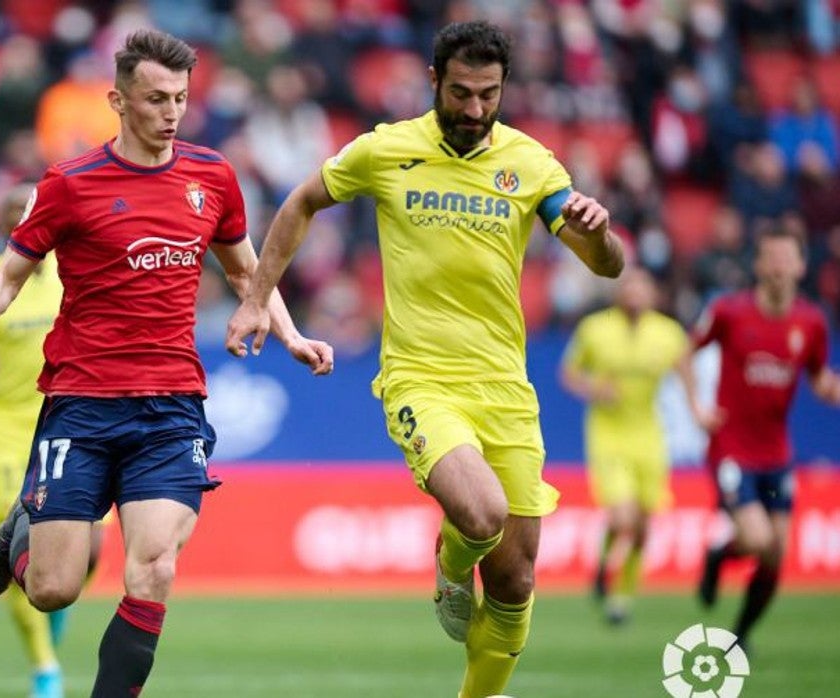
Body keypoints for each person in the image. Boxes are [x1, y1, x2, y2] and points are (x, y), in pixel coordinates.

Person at [225, 21, 623, 698]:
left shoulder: (531, 163)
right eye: (462, 92)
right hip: (421, 378)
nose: (474, 110)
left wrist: (600, 234)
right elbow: (302, 202)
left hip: (506, 387)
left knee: (516, 580)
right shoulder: (387, 150)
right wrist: (259, 298)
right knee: (481, 514)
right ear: (434, 80)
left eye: (489, 95)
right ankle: (448, 566)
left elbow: (606, 266)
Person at [0, 30, 333, 698]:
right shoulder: (69, 184)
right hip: (82, 403)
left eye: (180, 98)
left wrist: (289, 334)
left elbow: (247, 275)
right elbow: (9, 276)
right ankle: (26, 519)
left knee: (153, 569)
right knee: (53, 591)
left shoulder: (212, 177)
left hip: (171, 406)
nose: (172, 112)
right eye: (156, 99)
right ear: (118, 100)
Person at [0, 185, 101, 698]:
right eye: (15, 215)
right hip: (9, 430)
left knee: (90, 552)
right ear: (5, 225)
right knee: (12, 548)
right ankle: (44, 667)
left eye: (31, 213)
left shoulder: (75, 271)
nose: (24, 222)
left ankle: (48, 622)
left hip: (73, 422)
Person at [692, 226, 840, 651]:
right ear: (758, 265)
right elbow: (687, 351)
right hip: (732, 448)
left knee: (776, 555)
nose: (778, 268)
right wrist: (698, 408)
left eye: (785, 259)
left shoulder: (811, 322)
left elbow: (818, 380)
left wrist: (833, 389)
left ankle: (741, 635)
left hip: (776, 452)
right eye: (770, 259)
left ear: (800, 266)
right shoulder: (729, 312)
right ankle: (719, 556)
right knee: (757, 540)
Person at [559, 266, 692, 625]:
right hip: (608, 433)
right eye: (629, 286)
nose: (635, 293)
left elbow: (688, 371)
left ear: (654, 295)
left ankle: (621, 597)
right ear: (619, 293)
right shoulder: (594, 329)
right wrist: (593, 389)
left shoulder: (668, 333)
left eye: (642, 287)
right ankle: (605, 568)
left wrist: (698, 411)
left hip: (649, 434)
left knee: (643, 526)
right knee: (623, 517)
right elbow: (569, 373)